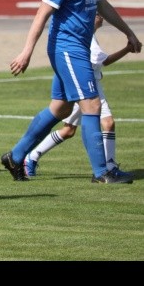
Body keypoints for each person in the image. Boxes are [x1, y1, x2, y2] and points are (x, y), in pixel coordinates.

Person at [2, 0, 142, 184]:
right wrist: (26, 52)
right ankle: (103, 172)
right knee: (92, 104)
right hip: (68, 49)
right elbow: (42, 13)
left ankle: (16, 155)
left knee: (61, 108)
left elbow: (103, 4)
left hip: (77, 48)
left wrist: (128, 32)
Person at [24, 13, 135, 179]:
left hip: (83, 83)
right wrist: (127, 49)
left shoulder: (87, 35)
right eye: (98, 14)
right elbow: (103, 61)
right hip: (86, 86)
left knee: (68, 131)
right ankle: (109, 167)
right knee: (108, 123)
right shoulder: (86, 36)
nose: (101, 17)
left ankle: (32, 156)